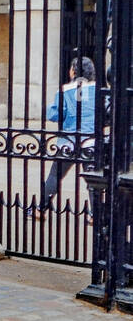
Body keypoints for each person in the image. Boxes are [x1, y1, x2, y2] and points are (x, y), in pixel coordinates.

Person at [36, 56, 97, 217]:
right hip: (90, 141)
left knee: (55, 176)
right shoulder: (98, 90)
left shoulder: (64, 90)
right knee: (93, 180)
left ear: (74, 71)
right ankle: (95, 215)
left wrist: (50, 108)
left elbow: (55, 115)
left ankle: (40, 209)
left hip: (68, 141)